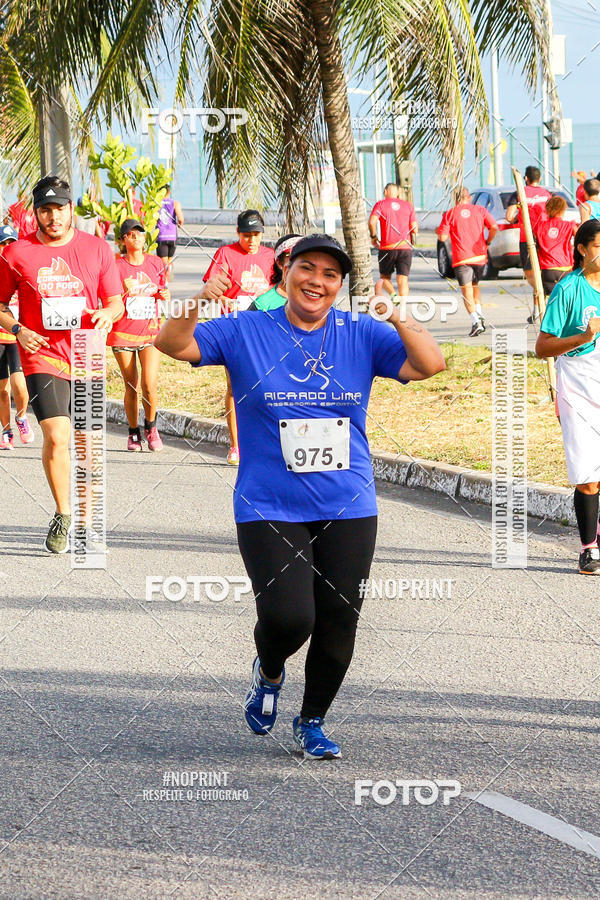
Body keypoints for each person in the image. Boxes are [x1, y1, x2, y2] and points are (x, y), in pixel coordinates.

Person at [155, 233, 446, 759]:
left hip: (348, 502)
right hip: (269, 502)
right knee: (292, 618)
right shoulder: (247, 328)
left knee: (339, 620)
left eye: (331, 275)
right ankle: (268, 671)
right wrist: (197, 301)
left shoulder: (360, 333)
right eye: (307, 269)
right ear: (285, 272)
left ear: (340, 286)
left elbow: (431, 365)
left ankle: (311, 720)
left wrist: (398, 316)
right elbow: (171, 345)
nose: (317, 281)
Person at [0, 175, 124, 553]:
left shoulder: (97, 249)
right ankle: (63, 512)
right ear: (36, 214)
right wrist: (19, 330)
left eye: (60, 208)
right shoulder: (16, 254)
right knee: (57, 435)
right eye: (45, 210)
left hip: (87, 351)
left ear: (72, 209)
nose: (53, 216)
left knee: (85, 443)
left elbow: (117, 301)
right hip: (43, 353)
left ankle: (85, 520)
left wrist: (107, 314)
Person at [536, 219, 600, 575]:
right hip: (578, 385)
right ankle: (589, 549)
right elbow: (542, 347)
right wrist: (581, 337)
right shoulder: (568, 289)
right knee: (587, 471)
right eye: (599, 246)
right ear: (582, 249)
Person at [203, 209, 275, 465]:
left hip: (266, 331)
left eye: (256, 235)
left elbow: (281, 289)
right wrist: (228, 300)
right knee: (234, 387)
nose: (252, 240)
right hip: (235, 330)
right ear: (238, 233)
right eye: (246, 235)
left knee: (268, 386)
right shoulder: (226, 254)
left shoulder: (271, 256)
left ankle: (265, 442)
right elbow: (212, 290)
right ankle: (235, 445)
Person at [108, 219, 169, 452]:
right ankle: (133, 432)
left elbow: (164, 291)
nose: (136, 238)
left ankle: (151, 427)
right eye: (131, 235)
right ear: (123, 240)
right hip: (123, 333)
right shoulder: (115, 265)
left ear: (145, 238)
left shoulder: (155, 263)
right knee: (131, 385)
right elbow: (108, 294)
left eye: (140, 235)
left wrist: (164, 294)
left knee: (149, 384)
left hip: (151, 333)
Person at [437, 187, 497, 337]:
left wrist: (441, 230)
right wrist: (487, 241)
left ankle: (476, 321)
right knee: (475, 286)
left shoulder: (450, 214)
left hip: (462, 258)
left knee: (466, 292)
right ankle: (480, 316)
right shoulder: (480, 210)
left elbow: (442, 238)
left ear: (455, 198)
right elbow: (494, 227)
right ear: (468, 197)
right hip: (479, 257)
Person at [0, 225, 34, 449]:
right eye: (3, 243)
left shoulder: (23, 269)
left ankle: (21, 417)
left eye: (11, 243)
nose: (7, 247)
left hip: (17, 338)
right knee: (2, 389)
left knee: (20, 386)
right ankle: (6, 431)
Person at [506, 165, 552, 322]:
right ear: (539, 179)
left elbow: (509, 216)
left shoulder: (519, 193)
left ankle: (539, 305)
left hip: (527, 237)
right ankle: (537, 310)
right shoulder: (547, 194)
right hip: (545, 237)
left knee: (531, 274)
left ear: (526, 179)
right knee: (541, 271)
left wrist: (518, 218)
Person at [369, 183, 418, 297]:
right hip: (405, 247)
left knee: (384, 278)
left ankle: (393, 295)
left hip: (388, 248)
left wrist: (374, 237)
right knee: (403, 280)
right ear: (398, 193)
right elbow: (415, 229)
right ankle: (403, 306)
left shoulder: (380, 204)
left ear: (386, 191)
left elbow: (372, 222)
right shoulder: (408, 206)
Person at [535, 196, 577, 297]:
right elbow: (581, 238)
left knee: (551, 301)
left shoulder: (540, 226)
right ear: (563, 209)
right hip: (566, 268)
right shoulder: (569, 225)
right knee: (566, 299)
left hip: (547, 269)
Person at [251, 234, 302, 311]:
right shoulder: (263, 304)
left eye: (305, 255)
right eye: (292, 255)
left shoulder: (320, 296)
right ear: (279, 262)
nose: (300, 260)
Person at [156, 185, 184, 278]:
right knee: (169, 261)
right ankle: (168, 271)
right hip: (172, 237)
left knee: (163, 264)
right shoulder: (175, 203)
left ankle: (165, 282)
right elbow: (180, 219)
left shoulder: (156, 203)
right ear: (169, 192)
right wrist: (179, 225)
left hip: (161, 236)